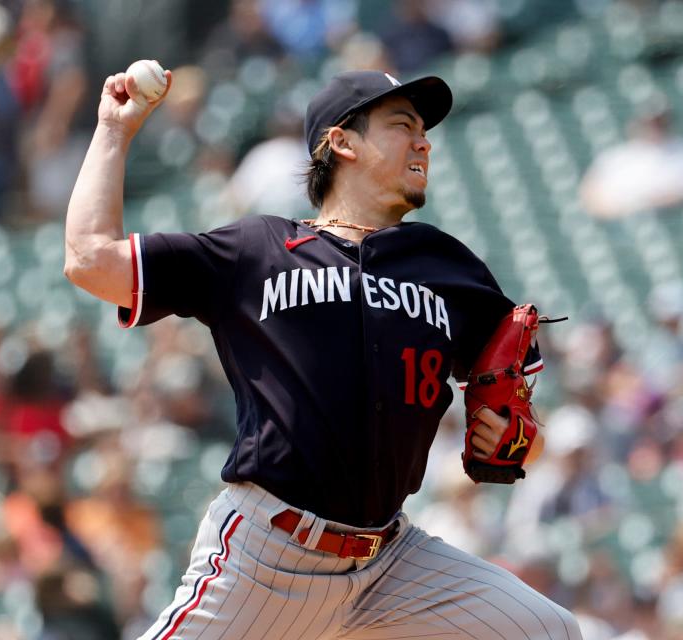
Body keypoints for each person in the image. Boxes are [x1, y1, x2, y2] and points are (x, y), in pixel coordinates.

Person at [64, 68, 581, 639]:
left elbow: (511, 376)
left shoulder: (444, 265)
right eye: (402, 125)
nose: (423, 141)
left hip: (393, 563)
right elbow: (90, 259)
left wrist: (509, 427)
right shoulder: (257, 249)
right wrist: (113, 129)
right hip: (269, 556)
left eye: (424, 131)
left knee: (547, 631)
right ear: (342, 141)